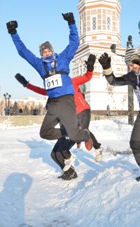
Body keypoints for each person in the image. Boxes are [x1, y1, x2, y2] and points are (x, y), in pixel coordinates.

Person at [6, 13, 93, 180]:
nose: (46, 52)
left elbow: (74, 43)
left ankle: (85, 135)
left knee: (75, 136)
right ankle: (68, 130)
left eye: (48, 50)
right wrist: (13, 33)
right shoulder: (39, 65)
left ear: (52, 50)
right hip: (53, 103)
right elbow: (23, 52)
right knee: (44, 133)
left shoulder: (63, 59)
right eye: (43, 51)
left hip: (67, 101)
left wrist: (71, 23)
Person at [15, 54, 102, 180]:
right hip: (66, 116)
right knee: (56, 152)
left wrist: (90, 67)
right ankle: (69, 170)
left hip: (81, 111)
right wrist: (26, 84)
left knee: (80, 131)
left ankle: (96, 146)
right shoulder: (53, 88)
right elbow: (41, 91)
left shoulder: (71, 81)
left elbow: (87, 77)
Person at [98, 50, 140, 186]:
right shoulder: (132, 76)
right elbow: (113, 81)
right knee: (135, 143)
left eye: (134, 64)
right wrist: (106, 68)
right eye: (129, 64)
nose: (131, 67)